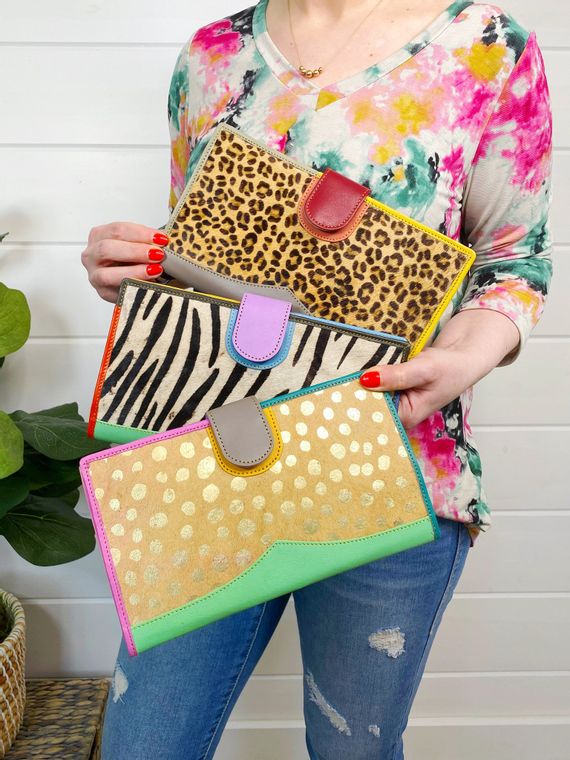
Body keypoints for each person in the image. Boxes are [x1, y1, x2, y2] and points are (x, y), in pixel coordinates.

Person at [81, 1, 553, 757]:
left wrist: (462, 360)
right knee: (143, 745)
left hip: (394, 470)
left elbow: (514, 264)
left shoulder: (488, 49)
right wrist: (138, 268)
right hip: (205, 465)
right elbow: (196, 256)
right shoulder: (211, 54)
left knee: (353, 750)